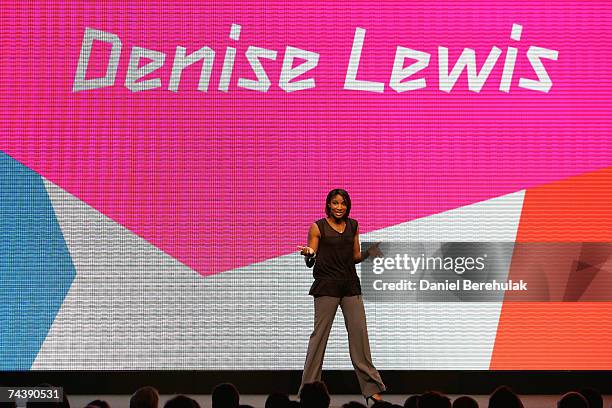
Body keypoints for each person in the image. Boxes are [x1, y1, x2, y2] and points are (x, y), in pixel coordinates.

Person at [297, 189, 386, 405]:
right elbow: (312, 254)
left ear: (348, 206)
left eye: (343, 203)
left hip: (350, 286)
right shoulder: (317, 227)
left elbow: (354, 256)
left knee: (359, 335)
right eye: (335, 203)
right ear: (328, 205)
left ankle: (371, 388)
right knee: (319, 337)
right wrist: (309, 254)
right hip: (326, 286)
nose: (339, 207)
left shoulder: (354, 225)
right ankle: (309, 389)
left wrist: (368, 254)